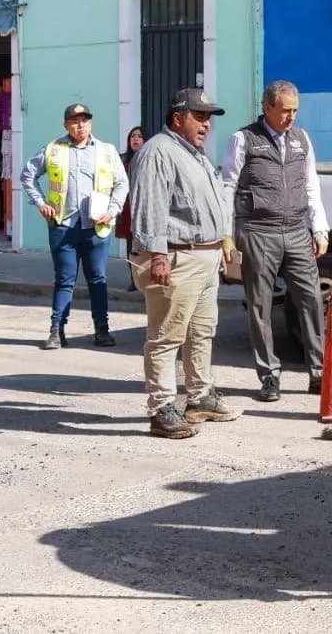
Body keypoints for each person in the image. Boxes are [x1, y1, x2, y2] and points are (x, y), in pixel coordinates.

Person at [129, 88, 240, 439]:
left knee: (201, 331)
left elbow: (212, 203)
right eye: (199, 117)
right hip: (177, 256)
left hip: (204, 257)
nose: (206, 125)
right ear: (178, 118)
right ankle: (161, 408)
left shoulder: (194, 154)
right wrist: (157, 255)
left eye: (208, 118)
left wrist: (223, 239)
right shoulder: (157, 151)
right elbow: (148, 208)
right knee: (165, 335)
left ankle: (199, 397)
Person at [220, 80, 329, 402]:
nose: (290, 117)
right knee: (260, 306)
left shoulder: (301, 139)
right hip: (258, 232)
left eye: (295, 110)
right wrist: (227, 235)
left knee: (310, 299)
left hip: (297, 231)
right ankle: (269, 375)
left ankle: (319, 372)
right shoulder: (243, 139)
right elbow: (227, 186)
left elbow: (311, 185)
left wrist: (319, 229)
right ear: (267, 107)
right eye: (284, 111)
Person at [19, 103, 129, 350]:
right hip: (63, 225)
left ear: (91, 123)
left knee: (98, 279)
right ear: (66, 124)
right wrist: (40, 203)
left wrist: (112, 211)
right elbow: (27, 175)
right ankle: (57, 331)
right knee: (64, 280)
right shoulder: (53, 150)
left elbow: (122, 183)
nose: (81, 126)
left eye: (85, 121)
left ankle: (102, 330)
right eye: (75, 121)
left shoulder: (106, 151)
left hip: (96, 227)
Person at [117, 126, 146, 291]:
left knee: (144, 245)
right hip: (127, 207)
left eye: (140, 136)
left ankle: (145, 277)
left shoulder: (150, 158)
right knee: (131, 245)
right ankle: (133, 279)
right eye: (133, 136)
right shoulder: (122, 160)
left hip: (143, 206)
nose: (135, 139)